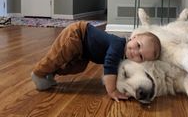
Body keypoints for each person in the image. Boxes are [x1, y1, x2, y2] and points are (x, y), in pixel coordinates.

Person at [31, 21, 161, 102]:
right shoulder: (118, 45)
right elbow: (109, 64)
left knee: (75, 67)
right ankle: (38, 73)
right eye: (138, 45)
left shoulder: (124, 55)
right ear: (134, 37)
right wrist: (112, 91)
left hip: (84, 52)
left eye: (141, 56)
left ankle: (51, 73)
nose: (135, 52)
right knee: (57, 56)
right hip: (77, 34)